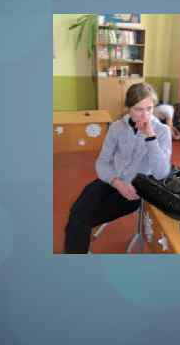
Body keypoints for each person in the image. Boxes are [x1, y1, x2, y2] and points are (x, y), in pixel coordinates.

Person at [64, 83, 172, 254]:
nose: (145, 115)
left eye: (149, 109)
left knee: (80, 219)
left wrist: (151, 137)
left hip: (134, 190)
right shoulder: (116, 128)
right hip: (111, 179)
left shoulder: (162, 131)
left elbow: (161, 173)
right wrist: (116, 182)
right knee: (78, 212)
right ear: (128, 108)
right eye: (138, 109)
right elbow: (102, 162)